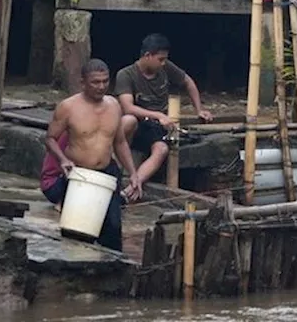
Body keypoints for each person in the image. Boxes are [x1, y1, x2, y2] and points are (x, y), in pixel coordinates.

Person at [41, 59, 141, 252]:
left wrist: (133, 173)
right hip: (79, 175)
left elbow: (119, 142)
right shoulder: (68, 107)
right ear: (83, 82)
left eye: (105, 81)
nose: (101, 86)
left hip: (107, 173)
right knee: (77, 232)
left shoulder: (113, 105)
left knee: (112, 229)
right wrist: (63, 160)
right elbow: (50, 138)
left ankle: (112, 276)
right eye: (95, 82)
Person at [114, 33, 212, 187]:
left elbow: (188, 82)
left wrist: (198, 109)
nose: (163, 63)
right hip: (137, 125)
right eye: (160, 59)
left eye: (165, 59)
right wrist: (157, 115)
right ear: (147, 55)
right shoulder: (125, 74)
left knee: (161, 149)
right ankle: (120, 166)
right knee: (128, 121)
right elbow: (128, 107)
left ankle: (134, 184)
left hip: (157, 127)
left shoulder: (166, 67)